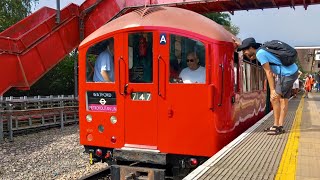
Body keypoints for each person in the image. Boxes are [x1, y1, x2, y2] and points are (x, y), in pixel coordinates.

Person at [236, 37, 298, 135]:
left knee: (274, 99)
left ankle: (276, 126)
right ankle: (279, 126)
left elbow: (268, 72)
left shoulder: (260, 54)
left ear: (252, 47)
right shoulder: (261, 49)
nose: (244, 53)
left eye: (245, 50)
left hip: (287, 74)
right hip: (290, 72)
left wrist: (272, 90)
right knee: (283, 99)